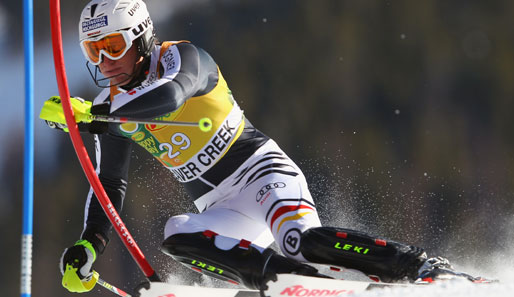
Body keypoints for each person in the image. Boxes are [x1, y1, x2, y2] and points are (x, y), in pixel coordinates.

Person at [41, 0, 480, 293]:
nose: (104, 62)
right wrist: (89, 246)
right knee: (176, 232)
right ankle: (287, 284)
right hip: (221, 206)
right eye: (93, 51)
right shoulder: (105, 108)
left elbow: (171, 97)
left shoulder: (182, 59)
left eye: (113, 46)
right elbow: (108, 186)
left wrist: (94, 116)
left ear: (141, 38)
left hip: (262, 174)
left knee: (299, 240)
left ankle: (421, 268)